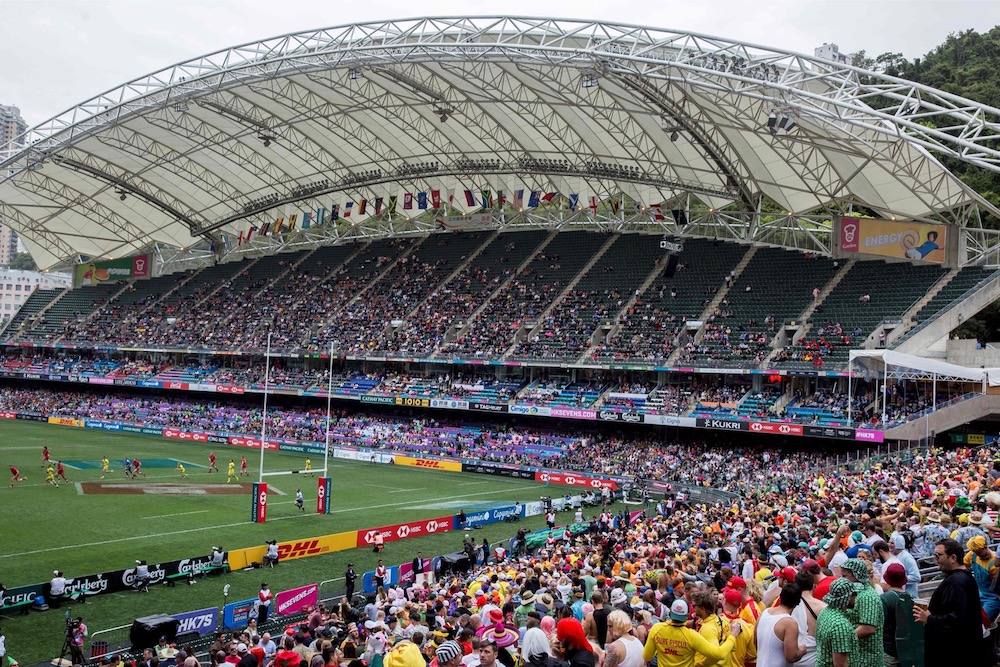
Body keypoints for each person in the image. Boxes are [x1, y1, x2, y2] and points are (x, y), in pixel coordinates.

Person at [914, 538, 989, 666]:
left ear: (953, 558)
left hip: (955, 654)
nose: (935, 559)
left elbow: (956, 619)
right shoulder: (961, 578)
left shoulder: (957, 582)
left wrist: (929, 619)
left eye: (938, 555)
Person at [643, 599, 740, 666]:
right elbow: (720, 654)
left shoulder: (656, 629)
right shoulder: (691, 636)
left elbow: (647, 656)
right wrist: (733, 635)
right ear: (687, 615)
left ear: (670, 612)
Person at [839, 558, 884, 667]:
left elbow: (868, 628)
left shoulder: (867, 596)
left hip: (868, 659)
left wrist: (841, 640)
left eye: (845, 577)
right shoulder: (858, 593)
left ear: (856, 575)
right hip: (858, 656)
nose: (842, 580)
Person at [755, 583, 806, 667]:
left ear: (780, 597)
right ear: (798, 602)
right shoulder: (789, 623)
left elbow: (756, 641)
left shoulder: (764, 613)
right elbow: (791, 657)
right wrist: (802, 650)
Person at [815, 578, 860, 667]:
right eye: (854, 594)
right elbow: (840, 664)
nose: (856, 597)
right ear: (848, 597)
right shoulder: (840, 625)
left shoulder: (825, 612)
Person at [964, 535, 1000, 621]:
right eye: (975, 552)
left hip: (992, 599)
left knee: (981, 621)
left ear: (985, 547)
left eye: (979, 552)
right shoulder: (972, 555)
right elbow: (963, 566)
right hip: (979, 594)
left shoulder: (994, 564)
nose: (977, 554)